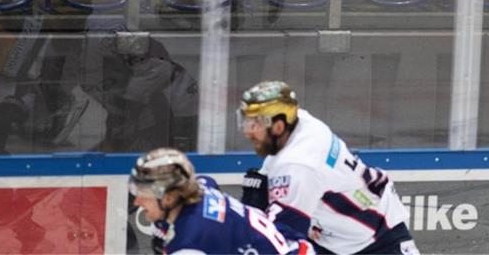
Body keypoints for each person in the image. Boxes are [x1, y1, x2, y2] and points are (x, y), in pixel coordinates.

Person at [238, 81, 419, 255]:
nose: (247, 131)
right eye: (246, 122)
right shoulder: (299, 121)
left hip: (379, 238)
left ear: (278, 126)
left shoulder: (299, 165)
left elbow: (280, 238)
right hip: (334, 238)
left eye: (255, 124)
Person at [129, 147, 313, 255]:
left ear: (168, 197)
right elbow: (208, 181)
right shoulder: (201, 189)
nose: (137, 201)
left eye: (144, 194)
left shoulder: (190, 241)